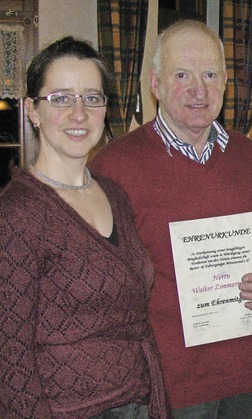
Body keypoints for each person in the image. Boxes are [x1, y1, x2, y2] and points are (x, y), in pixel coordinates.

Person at [90, 20, 252, 416]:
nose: (199, 89)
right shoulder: (114, 165)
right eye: (182, 74)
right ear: (155, 83)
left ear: (226, 81)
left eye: (210, 74)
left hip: (250, 376)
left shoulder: (246, 155)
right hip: (169, 381)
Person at [0, 37, 166, 418]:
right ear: (32, 110)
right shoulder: (17, 215)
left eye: (92, 98)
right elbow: (10, 359)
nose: (79, 113)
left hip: (137, 397)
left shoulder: (115, 195)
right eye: (61, 98)